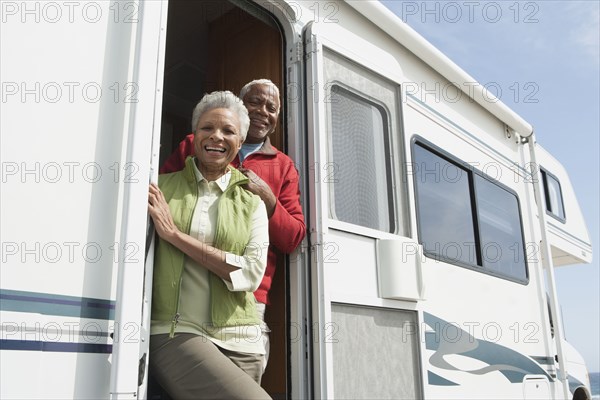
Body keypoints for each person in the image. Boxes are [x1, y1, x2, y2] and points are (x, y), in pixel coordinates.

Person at [160, 79, 306, 371]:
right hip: (180, 287)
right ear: (240, 106)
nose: (263, 112)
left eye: (272, 108)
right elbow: (163, 198)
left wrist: (267, 198)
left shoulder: (283, 166)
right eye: (255, 102)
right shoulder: (193, 144)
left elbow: (292, 238)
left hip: (245, 294)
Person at [148, 90, 271, 399]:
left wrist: (175, 237)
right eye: (207, 128)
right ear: (195, 134)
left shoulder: (252, 204)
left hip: (244, 341)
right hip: (175, 332)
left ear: (240, 142)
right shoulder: (160, 189)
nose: (216, 136)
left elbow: (251, 273)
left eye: (228, 130)